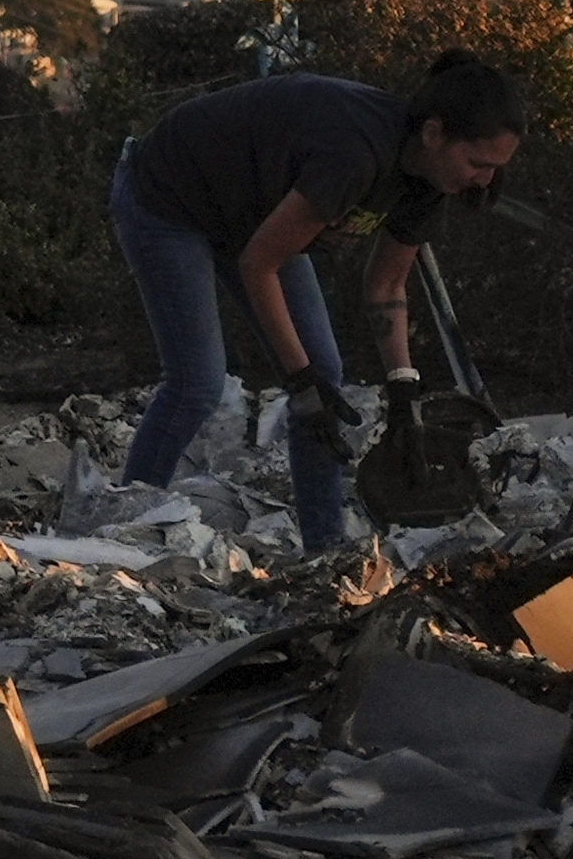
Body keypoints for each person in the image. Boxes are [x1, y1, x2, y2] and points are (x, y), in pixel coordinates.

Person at [106, 53, 527, 549]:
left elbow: (387, 286)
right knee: (198, 381)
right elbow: (258, 264)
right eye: (479, 163)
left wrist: (403, 394)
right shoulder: (355, 152)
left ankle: (323, 553)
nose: (484, 180)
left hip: (255, 217)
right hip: (169, 197)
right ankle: (119, 534)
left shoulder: (431, 182)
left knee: (325, 379)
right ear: (433, 133)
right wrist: (297, 380)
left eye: (496, 170)